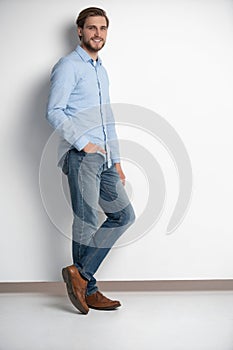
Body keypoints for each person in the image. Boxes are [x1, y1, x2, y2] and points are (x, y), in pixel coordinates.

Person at [46, 7, 135, 314]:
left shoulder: (100, 69)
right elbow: (54, 111)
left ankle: (81, 277)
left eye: (103, 28)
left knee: (123, 216)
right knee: (85, 221)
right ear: (80, 31)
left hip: (105, 158)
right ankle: (89, 287)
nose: (98, 33)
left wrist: (117, 159)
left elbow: (106, 116)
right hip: (81, 155)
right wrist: (84, 145)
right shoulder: (68, 66)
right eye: (92, 28)